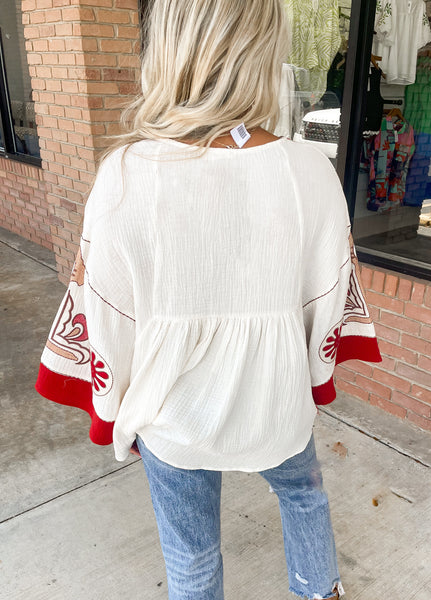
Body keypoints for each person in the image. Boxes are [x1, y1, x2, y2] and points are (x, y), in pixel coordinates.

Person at [36, 1, 382, 598]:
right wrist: (309, 381)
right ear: (265, 50)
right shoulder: (310, 172)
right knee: (304, 497)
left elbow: (106, 319)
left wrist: (113, 413)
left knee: (191, 560)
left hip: (172, 416)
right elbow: (326, 306)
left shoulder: (124, 175)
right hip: (275, 407)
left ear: (168, 49)